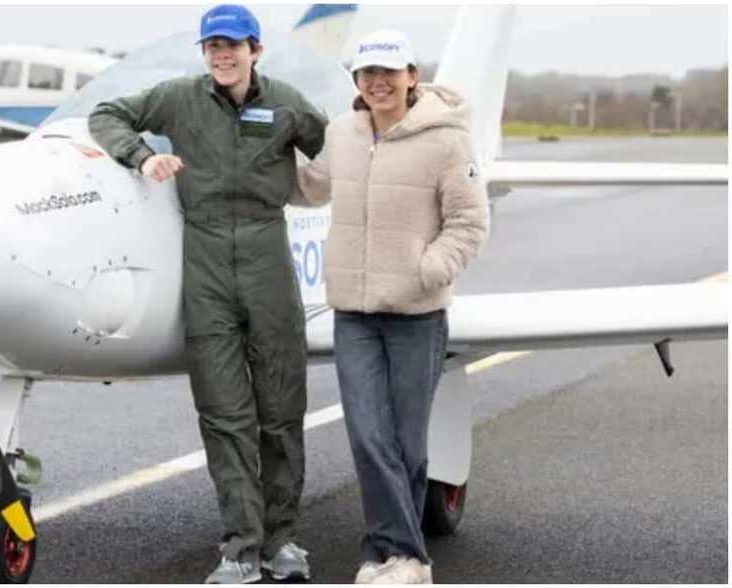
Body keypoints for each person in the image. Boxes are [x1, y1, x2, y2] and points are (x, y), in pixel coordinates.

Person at [88, 4, 327, 584]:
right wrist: (144, 157)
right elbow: (106, 115)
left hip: (270, 257)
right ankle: (240, 550)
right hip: (207, 262)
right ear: (204, 52)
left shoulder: (289, 103)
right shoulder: (179, 98)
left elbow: (342, 146)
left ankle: (283, 542)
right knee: (224, 413)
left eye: (233, 45)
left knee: (281, 407)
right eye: (213, 46)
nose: (222, 55)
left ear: (255, 51)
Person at [294, 29, 489, 584]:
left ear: (411, 77)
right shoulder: (343, 134)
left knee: (404, 440)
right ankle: (403, 556)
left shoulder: (448, 140)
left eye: (389, 72)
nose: (378, 82)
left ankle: (392, 556)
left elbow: (470, 224)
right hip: (353, 314)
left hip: (417, 316)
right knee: (368, 436)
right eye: (368, 73)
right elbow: (310, 188)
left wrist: (425, 272)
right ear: (356, 80)